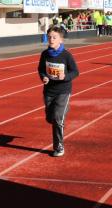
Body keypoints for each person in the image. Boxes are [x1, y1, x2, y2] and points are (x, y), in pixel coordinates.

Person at [37, 26, 79, 157]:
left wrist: (65, 77)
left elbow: (75, 71)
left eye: (54, 37)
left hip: (63, 91)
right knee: (51, 118)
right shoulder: (45, 54)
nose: (51, 39)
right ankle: (57, 114)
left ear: (60, 39)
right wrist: (43, 76)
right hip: (49, 91)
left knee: (58, 119)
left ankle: (59, 146)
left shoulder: (66, 55)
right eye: (49, 37)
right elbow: (40, 69)